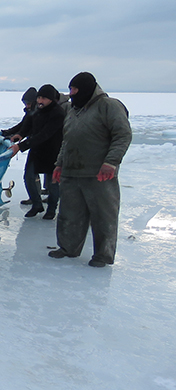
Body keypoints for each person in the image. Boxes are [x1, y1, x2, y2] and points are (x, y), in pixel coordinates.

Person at [49, 72, 132, 267]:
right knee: (69, 214)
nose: (72, 93)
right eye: (70, 90)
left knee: (104, 217)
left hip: (99, 173)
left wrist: (111, 162)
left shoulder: (109, 106)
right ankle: (68, 248)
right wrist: (59, 164)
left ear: (87, 89)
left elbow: (123, 135)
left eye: (75, 90)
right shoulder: (73, 109)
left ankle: (102, 255)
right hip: (71, 171)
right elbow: (67, 140)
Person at [9, 84, 65, 219]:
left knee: (53, 183)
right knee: (28, 177)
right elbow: (28, 125)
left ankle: (51, 209)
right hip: (36, 150)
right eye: (39, 97)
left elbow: (45, 134)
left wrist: (21, 146)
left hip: (53, 152)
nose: (40, 101)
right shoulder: (37, 110)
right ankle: (36, 205)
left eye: (44, 98)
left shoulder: (58, 113)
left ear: (51, 99)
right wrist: (20, 135)